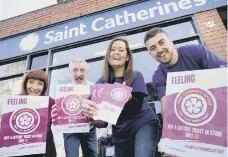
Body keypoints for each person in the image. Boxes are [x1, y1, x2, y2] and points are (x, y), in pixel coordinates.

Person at [144, 27, 227, 155]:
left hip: (218, 112)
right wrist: (167, 137)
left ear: (171, 42)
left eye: (161, 42)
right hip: (192, 123)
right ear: (150, 54)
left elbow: (222, 71)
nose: (159, 50)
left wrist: (222, 76)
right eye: (153, 48)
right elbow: (166, 106)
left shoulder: (194, 51)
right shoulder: (158, 77)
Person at [82, 37, 160, 157]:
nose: (116, 52)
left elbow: (136, 104)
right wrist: (91, 116)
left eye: (121, 50)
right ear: (108, 55)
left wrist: (127, 97)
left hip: (143, 123)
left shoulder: (135, 75)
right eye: (112, 50)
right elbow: (102, 123)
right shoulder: (101, 84)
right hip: (120, 132)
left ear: (128, 57)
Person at [53, 58, 98, 157]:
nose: (78, 74)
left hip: (89, 129)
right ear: (70, 73)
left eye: (82, 70)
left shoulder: (94, 88)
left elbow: (99, 112)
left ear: (87, 73)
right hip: (70, 129)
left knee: (93, 154)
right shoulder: (63, 91)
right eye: (75, 70)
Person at [20, 69, 56, 157]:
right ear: (25, 83)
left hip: (43, 148)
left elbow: (58, 123)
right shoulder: (15, 101)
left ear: (44, 86)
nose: (35, 87)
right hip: (20, 148)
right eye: (31, 82)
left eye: (40, 83)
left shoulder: (50, 102)